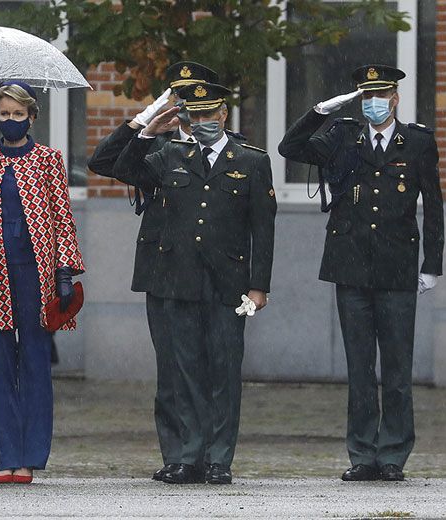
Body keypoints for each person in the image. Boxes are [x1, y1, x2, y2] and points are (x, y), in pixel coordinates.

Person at [278, 64, 444, 482]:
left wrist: (433, 265)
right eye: (365, 95)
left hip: (397, 267)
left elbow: (435, 206)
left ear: (395, 98)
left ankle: (393, 455)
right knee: (359, 369)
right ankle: (363, 454)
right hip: (350, 266)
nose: (373, 102)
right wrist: (319, 112)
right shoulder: (343, 136)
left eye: (380, 94)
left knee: (397, 369)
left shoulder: (418, 142)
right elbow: (289, 147)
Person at [89, 62, 248, 483]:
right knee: (173, 370)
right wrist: (143, 121)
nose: (190, 111)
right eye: (181, 99)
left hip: (217, 275)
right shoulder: (154, 150)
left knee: (215, 367)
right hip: (164, 272)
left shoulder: (238, 153)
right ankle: (179, 454)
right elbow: (103, 162)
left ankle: (213, 456)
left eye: (198, 101)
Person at [112, 83, 277, 484]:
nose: (202, 123)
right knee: (184, 371)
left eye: (209, 115)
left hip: (229, 281)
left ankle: (219, 458)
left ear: (223, 115)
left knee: (223, 370)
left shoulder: (252, 161)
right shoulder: (171, 154)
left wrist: (259, 285)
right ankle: (188, 456)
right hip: (180, 279)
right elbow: (119, 167)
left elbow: (263, 228)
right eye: (194, 116)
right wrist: (147, 130)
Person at [0, 81, 85, 484]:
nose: (10, 121)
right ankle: (6, 455)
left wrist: (65, 270)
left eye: (17, 114)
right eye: (4, 114)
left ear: (32, 116)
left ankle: (30, 456)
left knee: (34, 358)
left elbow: (62, 219)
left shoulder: (49, 159)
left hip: (37, 270)